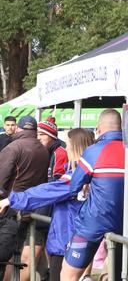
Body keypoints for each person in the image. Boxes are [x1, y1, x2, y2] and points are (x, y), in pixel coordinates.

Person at [59, 108, 128, 281]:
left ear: (98, 128)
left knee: (68, 274)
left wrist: (87, 186)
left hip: (93, 223)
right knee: (117, 275)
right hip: (125, 225)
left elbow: (73, 187)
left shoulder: (94, 151)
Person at [0, 128, 95, 281]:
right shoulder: (84, 176)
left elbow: (47, 191)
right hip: (72, 240)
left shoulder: (75, 179)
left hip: (67, 242)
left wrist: (12, 199)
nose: (66, 149)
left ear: (76, 147)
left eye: (69, 145)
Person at [0, 116, 49, 281]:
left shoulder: (13, 148)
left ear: (19, 129)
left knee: (5, 257)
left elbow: (1, 181)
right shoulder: (43, 150)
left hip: (11, 209)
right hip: (35, 208)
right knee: (25, 258)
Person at [37, 117, 68, 181]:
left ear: (51, 136)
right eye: (37, 135)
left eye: (42, 134)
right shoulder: (46, 150)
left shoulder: (60, 153)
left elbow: (58, 183)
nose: (38, 138)